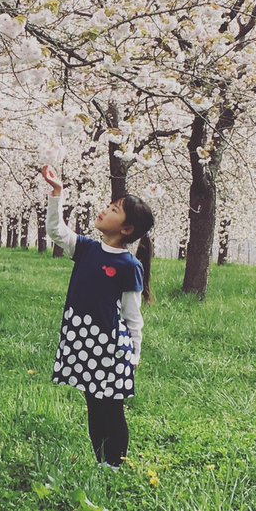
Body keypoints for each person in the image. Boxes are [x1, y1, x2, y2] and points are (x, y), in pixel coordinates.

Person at [40, 165, 155, 469]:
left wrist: (135, 356)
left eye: (114, 210)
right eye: (108, 206)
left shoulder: (129, 266)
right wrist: (57, 194)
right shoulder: (87, 249)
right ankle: (101, 462)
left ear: (126, 229)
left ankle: (115, 465)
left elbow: (133, 318)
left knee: (111, 409)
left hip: (111, 350)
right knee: (93, 406)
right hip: (84, 343)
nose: (104, 211)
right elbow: (56, 231)